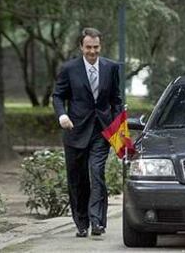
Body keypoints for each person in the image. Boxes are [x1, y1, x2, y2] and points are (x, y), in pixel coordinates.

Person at [52, 27, 122, 238]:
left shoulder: (111, 68)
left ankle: (97, 222)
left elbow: (116, 100)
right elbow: (57, 95)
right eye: (89, 47)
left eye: (96, 47)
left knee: (97, 173)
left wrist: (118, 131)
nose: (92, 51)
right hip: (75, 131)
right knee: (77, 179)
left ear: (101, 46)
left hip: (101, 131)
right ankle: (81, 223)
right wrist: (62, 115)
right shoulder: (69, 69)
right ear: (81, 47)